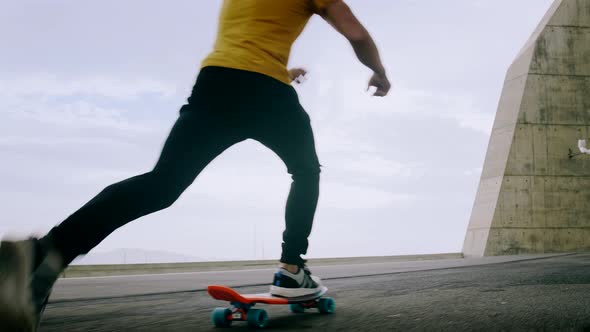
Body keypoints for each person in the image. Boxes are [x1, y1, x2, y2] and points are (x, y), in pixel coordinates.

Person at [0, 0, 390, 330]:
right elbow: (355, 33)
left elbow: (248, 43)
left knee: (162, 184)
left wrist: (280, 71)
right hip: (266, 92)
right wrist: (380, 72)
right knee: (305, 170)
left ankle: (44, 253)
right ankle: (292, 267)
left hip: (217, 82)